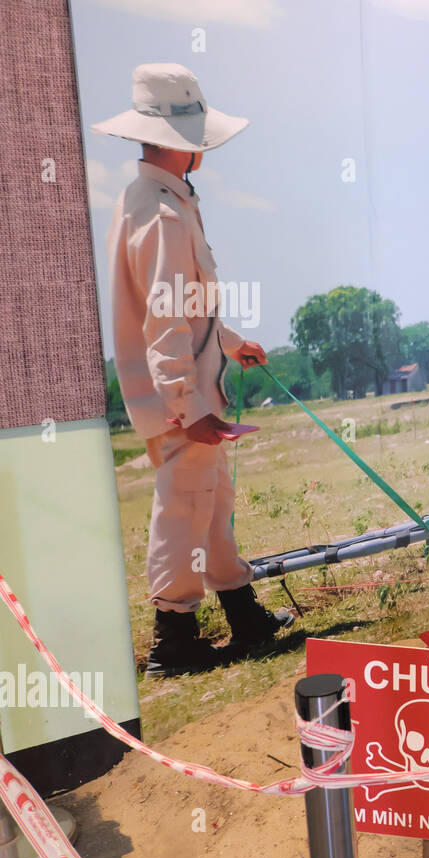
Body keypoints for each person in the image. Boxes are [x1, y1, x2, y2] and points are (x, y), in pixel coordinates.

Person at [93, 63, 291, 677]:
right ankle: (173, 639)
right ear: (179, 138)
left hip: (188, 391)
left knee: (211, 505)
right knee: (184, 511)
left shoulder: (158, 201)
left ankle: (242, 614)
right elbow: (163, 325)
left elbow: (186, 308)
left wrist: (230, 343)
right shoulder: (161, 215)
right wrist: (191, 406)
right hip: (181, 401)